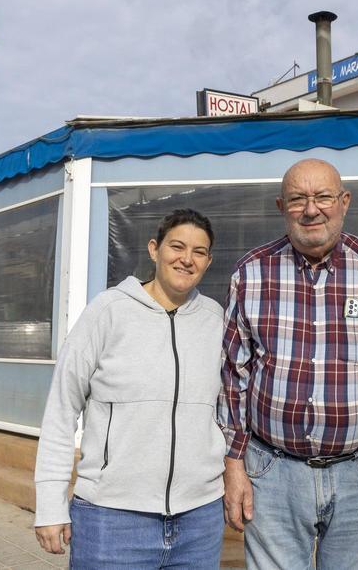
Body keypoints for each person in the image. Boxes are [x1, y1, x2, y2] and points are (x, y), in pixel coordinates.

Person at [219, 158, 358, 570]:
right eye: (297, 199)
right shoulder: (251, 273)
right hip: (272, 473)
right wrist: (233, 466)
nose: (311, 209)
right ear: (280, 206)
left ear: (345, 202)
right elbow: (233, 376)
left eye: (323, 197)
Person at [34, 209, 227, 569]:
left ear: (208, 261)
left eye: (199, 252)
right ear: (154, 249)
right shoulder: (108, 311)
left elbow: (227, 409)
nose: (187, 259)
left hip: (199, 520)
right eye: (177, 246)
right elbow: (61, 409)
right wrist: (49, 504)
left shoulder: (215, 320)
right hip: (112, 519)